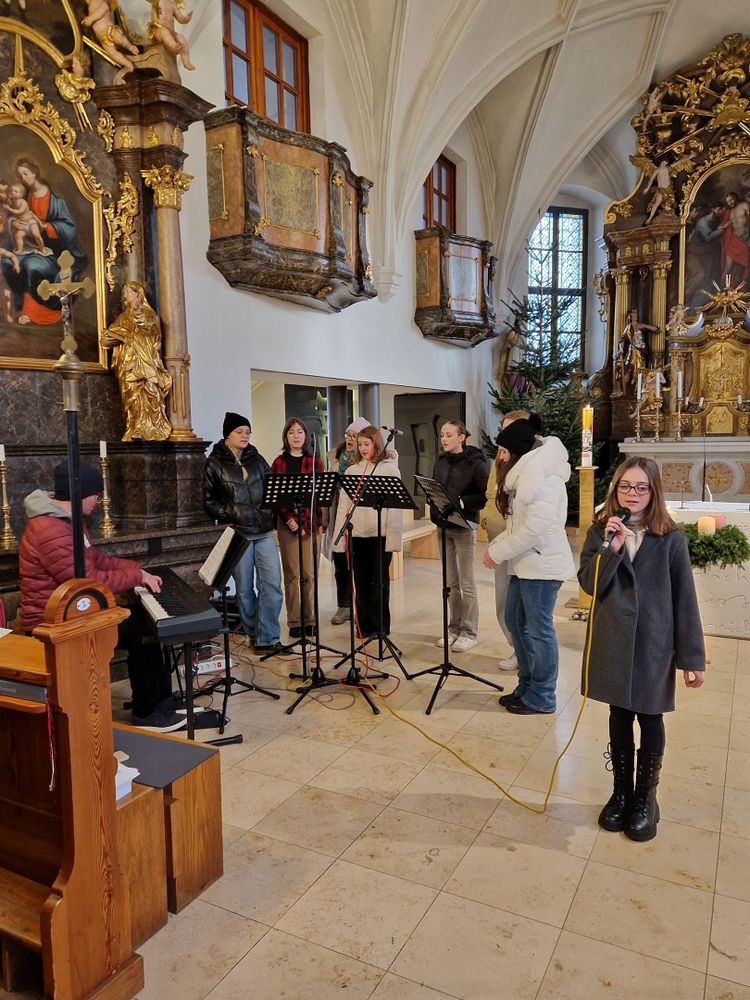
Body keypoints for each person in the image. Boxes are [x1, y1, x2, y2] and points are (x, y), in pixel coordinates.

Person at [578, 457, 705, 842]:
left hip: (654, 642)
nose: (632, 494)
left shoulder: (671, 539)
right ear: (615, 489)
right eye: (625, 486)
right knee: (619, 713)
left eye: (641, 487)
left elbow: (685, 599)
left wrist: (692, 658)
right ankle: (622, 793)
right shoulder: (600, 532)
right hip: (614, 639)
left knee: (650, 717)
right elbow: (589, 584)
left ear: (653, 492)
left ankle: (646, 799)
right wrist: (611, 548)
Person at [18, 461, 184, 732]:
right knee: (144, 631)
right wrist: (136, 577)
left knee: (146, 621)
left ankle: (159, 700)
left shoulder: (66, 521)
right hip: (54, 626)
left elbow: (95, 560)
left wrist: (137, 570)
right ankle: (148, 713)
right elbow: (90, 582)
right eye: (95, 494)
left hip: (73, 616)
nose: (98, 500)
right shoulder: (51, 529)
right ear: (80, 494)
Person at [483, 418, 574, 714]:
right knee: (514, 620)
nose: (501, 458)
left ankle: (543, 695)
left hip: (542, 565)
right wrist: (498, 546)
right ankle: (527, 685)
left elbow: (534, 530)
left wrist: (498, 552)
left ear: (518, 452)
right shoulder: (526, 476)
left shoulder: (544, 479)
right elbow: (517, 525)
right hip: (525, 563)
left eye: (504, 451)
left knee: (540, 629)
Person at [204, 412, 284, 655]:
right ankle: (254, 634)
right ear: (227, 435)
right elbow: (209, 501)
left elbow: (273, 487)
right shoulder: (214, 463)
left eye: (247, 432)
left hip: (264, 531)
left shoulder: (257, 459)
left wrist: (270, 510)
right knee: (244, 590)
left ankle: (268, 638)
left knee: (272, 585)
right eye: (239, 431)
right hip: (239, 534)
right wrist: (229, 512)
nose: (245, 435)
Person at [480, 410, 542, 671]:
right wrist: (487, 518)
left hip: (521, 544)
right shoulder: (501, 458)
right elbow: (491, 492)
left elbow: (530, 519)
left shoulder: (534, 466)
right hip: (500, 537)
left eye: (510, 429)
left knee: (524, 609)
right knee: (503, 602)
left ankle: (527, 655)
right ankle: (518, 649)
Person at [0, 157, 88, 326]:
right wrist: (14, 223)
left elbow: (69, 227)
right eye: (20, 175)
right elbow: (13, 217)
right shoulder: (24, 195)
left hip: (53, 253)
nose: (23, 178)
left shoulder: (55, 199)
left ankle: (34, 310)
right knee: (6, 262)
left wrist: (46, 227)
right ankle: (18, 304)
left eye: (25, 173)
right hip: (28, 247)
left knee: (31, 265)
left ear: (34, 172)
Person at [333, 425, 402, 636]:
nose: (363, 448)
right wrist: (340, 538)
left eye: (367, 444)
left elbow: (395, 508)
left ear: (376, 444)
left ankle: (380, 627)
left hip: (380, 535)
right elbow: (344, 507)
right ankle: (363, 626)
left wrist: (393, 538)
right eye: (360, 444)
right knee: (361, 582)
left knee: (379, 582)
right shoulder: (351, 471)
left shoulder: (389, 470)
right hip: (357, 534)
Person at [431, 420, 489, 652]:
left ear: (461, 437)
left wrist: (461, 502)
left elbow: (483, 496)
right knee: (450, 582)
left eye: (449, 435)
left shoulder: (476, 463)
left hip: (464, 526)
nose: (444, 439)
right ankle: (453, 628)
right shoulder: (440, 461)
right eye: (442, 435)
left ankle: (469, 631)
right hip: (442, 525)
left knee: (466, 581)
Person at [271, 418, 325, 638]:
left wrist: (305, 522)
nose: (296, 436)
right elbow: (275, 497)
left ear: (306, 435)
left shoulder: (315, 462)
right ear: (286, 436)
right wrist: (291, 520)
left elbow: (318, 497)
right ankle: (294, 621)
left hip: (311, 524)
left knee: (309, 574)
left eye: (300, 431)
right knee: (292, 574)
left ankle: (310, 620)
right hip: (287, 525)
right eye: (291, 432)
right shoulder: (278, 462)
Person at [101, 282, 172, 441]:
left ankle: (151, 427)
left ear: (138, 294)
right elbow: (107, 338)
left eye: (128, 292)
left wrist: (138, 314)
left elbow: (151, 331)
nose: (125, 296)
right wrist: (108, 340)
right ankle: (135, 426)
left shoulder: (149, 314)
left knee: (150, 392)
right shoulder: (123, 317)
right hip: (128, 364)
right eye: (124, 292)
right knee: (131, 395)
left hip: (146, 362)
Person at [323, 416, 371, 624]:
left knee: (361, 566)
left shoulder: (368, 463)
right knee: (341, 564)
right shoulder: (336, 461)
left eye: (354, 436)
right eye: (348, 435)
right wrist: (326, 521)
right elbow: (328, 494)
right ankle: (344, 606)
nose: (350, 439)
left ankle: (362, 607)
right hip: (339, 518)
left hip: (361, 520)